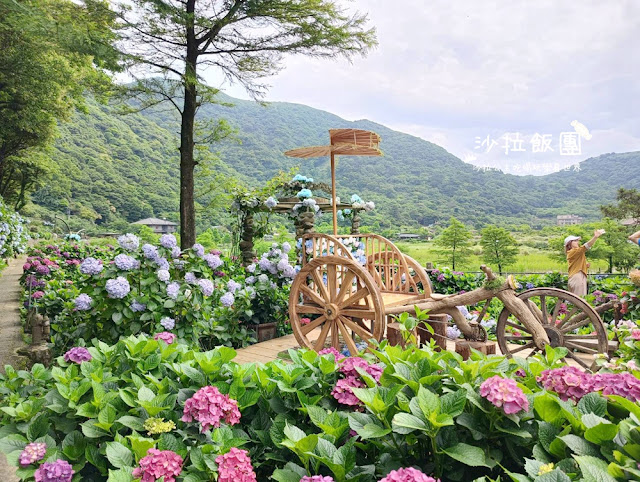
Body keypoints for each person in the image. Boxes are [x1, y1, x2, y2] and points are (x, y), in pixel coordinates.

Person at [565, 229, 605, 296]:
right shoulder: (574, 251)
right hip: (577, 277)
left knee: (575, 299)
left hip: (575, 276)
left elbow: (575, 264)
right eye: (575, 241)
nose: (577, 242)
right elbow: (586, 246)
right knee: (579, 300)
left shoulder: (573, 253)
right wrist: (595, 237)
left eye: (577, 240)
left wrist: (585, 266)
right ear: (569, 244)